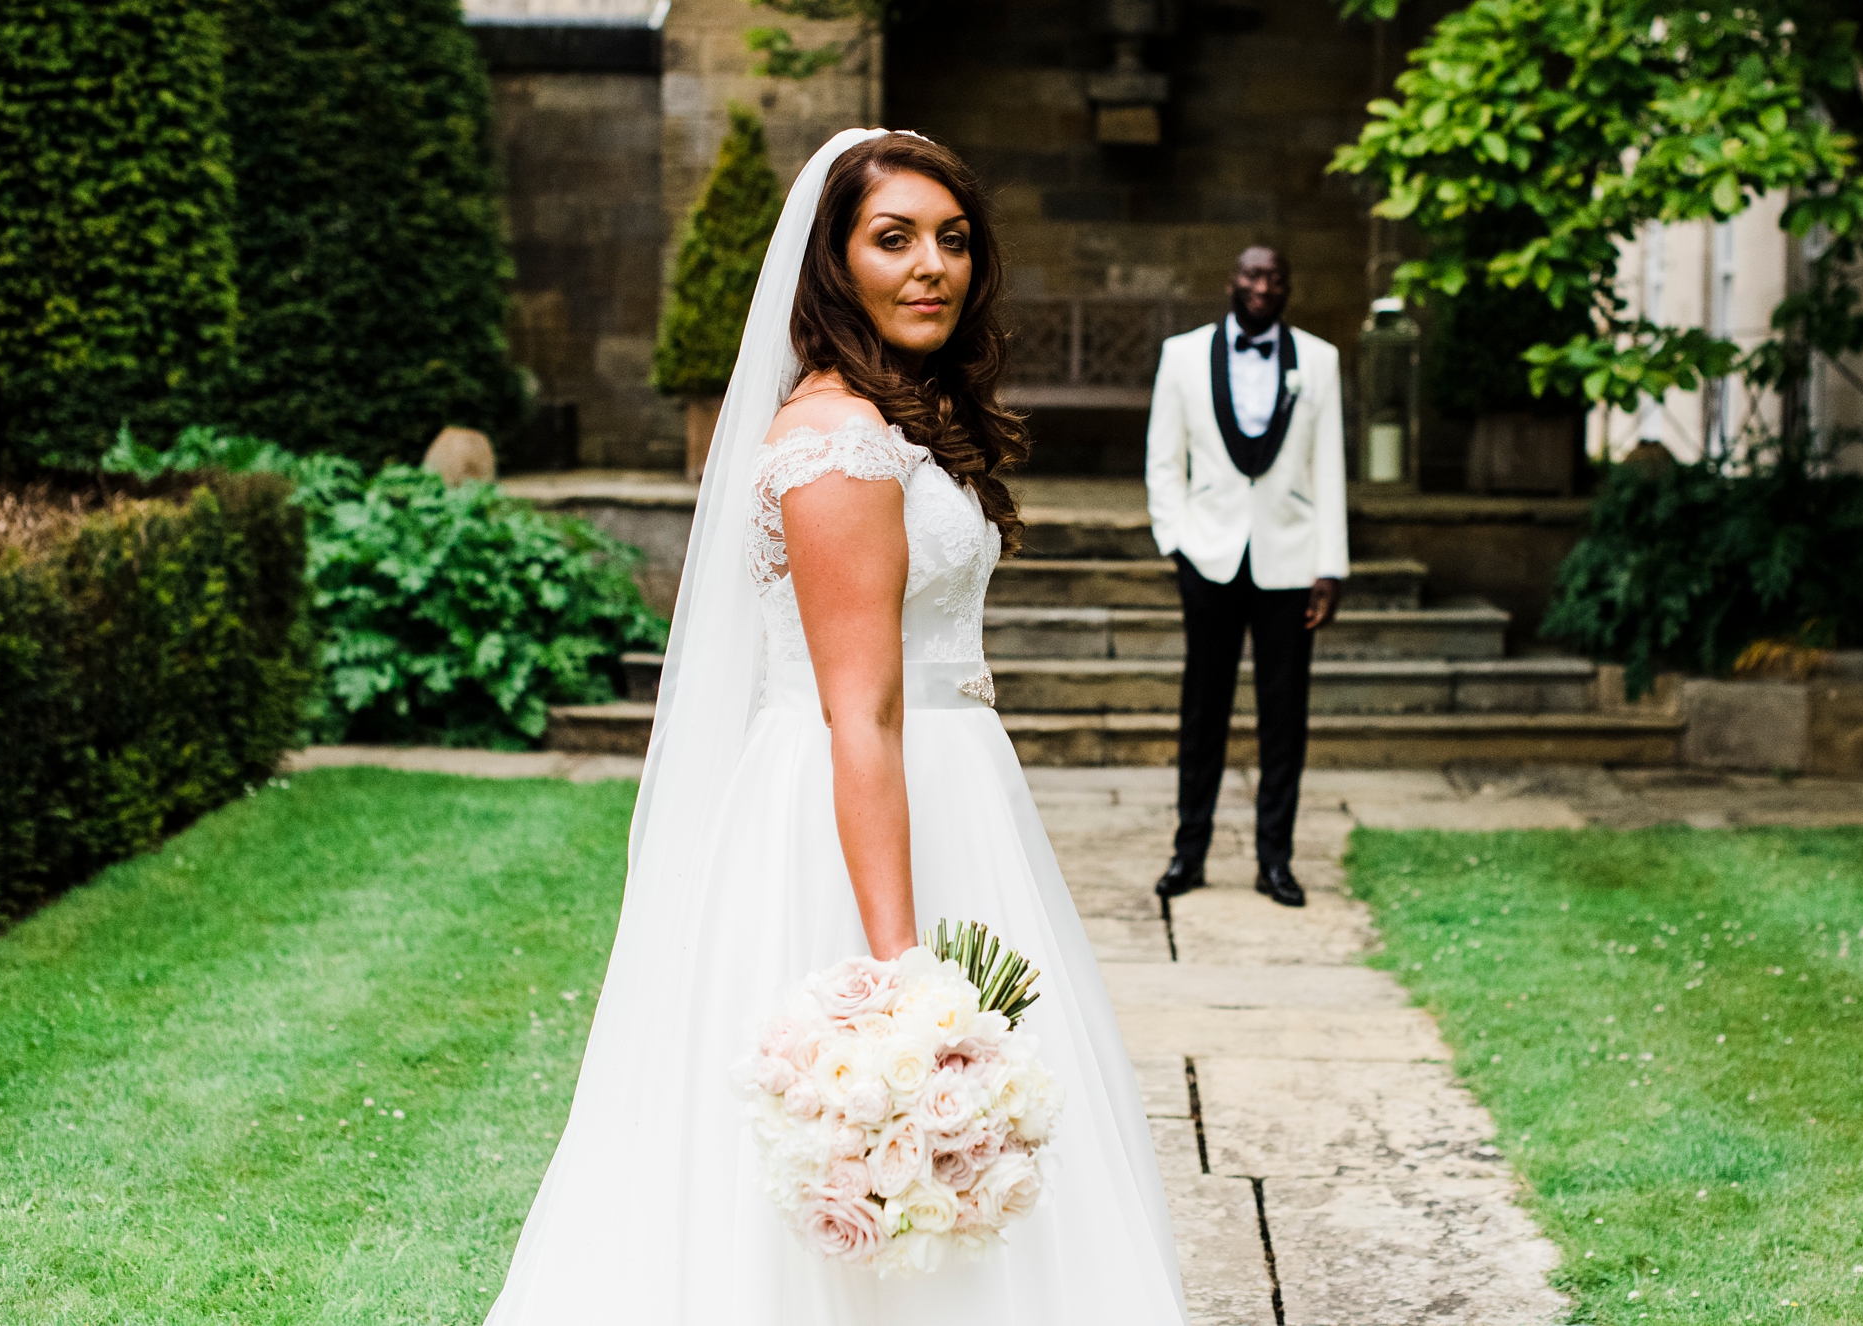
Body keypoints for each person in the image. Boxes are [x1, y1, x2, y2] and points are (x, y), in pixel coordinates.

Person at [484, 130, 1187, 1325]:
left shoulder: (894, 416)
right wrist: (899, 977)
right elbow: (855, 708)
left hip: (950, 793)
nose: (933, 268)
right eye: (893, 239)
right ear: (832, 262)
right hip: (861, 816)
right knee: (867, 1121)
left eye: (953, 240)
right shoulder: (837, 441)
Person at [1143, 245, 1348, 910]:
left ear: (1287, 288)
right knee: (1202, 712)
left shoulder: (1318, 361)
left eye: (1275, 277)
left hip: (1290, 562)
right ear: (1232, 280)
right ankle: (1188, 853)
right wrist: (1176, 542)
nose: (1263, 286)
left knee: (1283, 718)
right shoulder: (1182, 355)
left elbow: (1329, 469)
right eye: (1252, 274)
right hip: (1208, 557)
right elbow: (1162, 460)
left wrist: (1330, 566)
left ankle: (1274, 862)